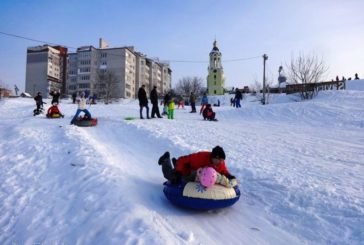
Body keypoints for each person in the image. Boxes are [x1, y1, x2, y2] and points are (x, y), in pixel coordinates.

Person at [158, 146, 237, 187]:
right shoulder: (201, 157)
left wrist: (229, 176)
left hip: (198, 175)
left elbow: (224, 171)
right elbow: (183, 159)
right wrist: (178, 171)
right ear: (214, 158)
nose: (221, 162)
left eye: (222, 160)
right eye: (220, 160)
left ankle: (176, 164)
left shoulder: (220, 163)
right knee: (171, 176)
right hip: (188, 170)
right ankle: (166, 159)